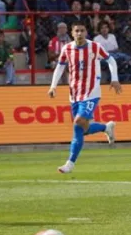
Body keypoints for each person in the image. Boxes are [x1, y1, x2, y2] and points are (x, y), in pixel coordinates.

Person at [47, 22, 121, 174]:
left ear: (86, 32)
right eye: (76, 31)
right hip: (74, 93)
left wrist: (114, 78)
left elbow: (111, 60)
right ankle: (106, 127)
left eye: (82, 30)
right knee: (82, 129)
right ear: (72, 33)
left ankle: (70, 163)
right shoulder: (67, 48)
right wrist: (53, 86)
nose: (79, 33)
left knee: (78, 123)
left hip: (91, 92)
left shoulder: (94, 47)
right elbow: (60, 66)